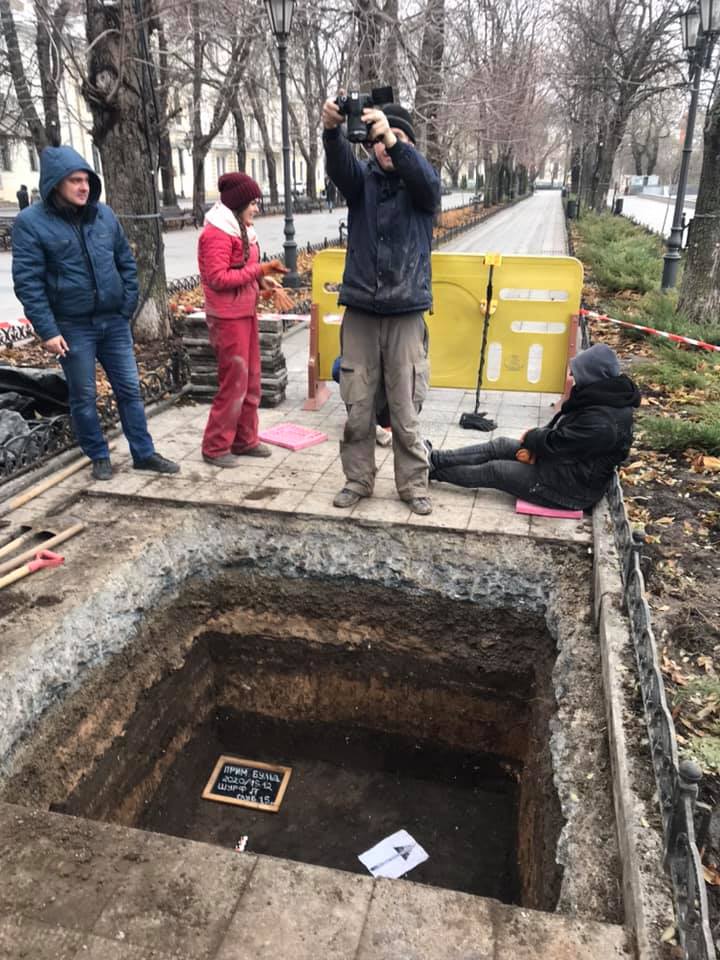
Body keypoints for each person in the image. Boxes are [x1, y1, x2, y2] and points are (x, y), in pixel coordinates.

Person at [11, 145, 179, 481]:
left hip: (112, 322)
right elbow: (28, 283)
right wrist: (48, 331)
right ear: (55, 183)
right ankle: (99, 455)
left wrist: (125, 308)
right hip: (72, 327)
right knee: (84, 395)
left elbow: (126, 264)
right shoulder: (31, 223)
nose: (83, 187)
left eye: (86, 179)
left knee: (130, 389)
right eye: (74, 180)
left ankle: (144, 453)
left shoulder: (103, 215)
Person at [322, 94, 440, 515]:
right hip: (361, 313)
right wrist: (332, 131)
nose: (385, 146)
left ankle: (413, 485)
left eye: (395, 138)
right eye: (377, 137)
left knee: (405, 408)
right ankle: (358, 479)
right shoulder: (362, 183)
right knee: (357, 405)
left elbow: (426, 181)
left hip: (406, 312)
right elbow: (339, 167)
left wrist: (394, 139)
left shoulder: (422, 186)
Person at [428, 344, 640, 511]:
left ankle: (430, 473)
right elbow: (560, 437)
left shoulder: (602, 423)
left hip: (572, 489)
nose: (572, 378)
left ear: (593, 375)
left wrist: (532, 438)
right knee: (501, 445)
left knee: (496, 470)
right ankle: (435, 459)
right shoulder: (602, 397)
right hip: (565, 466)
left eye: (577, 373)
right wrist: (534, 442)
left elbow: (557, 443)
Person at [197, 172, 293, 467]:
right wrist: (260, 272)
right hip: (227, 318)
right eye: (253, 203)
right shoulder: (216, 233)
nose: (257, 208)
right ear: (238, 204)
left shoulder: (242, 229)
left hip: (244, 311)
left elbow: (243, 269)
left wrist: (263, 285)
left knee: (251, 381)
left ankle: (245, 439)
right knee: (234, 382)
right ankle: (215, 447)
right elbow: (217, 278)